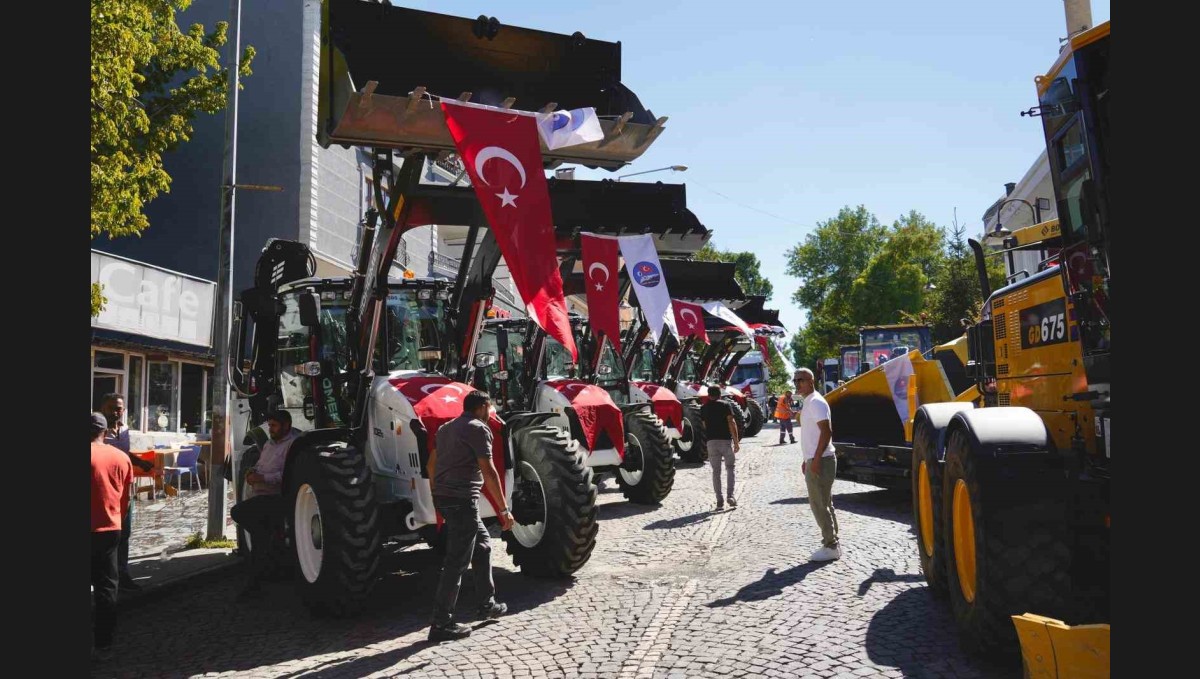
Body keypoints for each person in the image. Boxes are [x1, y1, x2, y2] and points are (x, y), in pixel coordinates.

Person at [427, 391, 513, 642]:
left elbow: (431, 464)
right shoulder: (478, 428)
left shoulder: (445, 428)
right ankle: (441, 623)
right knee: (457, 561)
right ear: (484, 406)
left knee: (483, 545)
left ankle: (487, 604)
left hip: (446, 499)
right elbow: (488, 469)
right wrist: (503, 510)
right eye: (491, 406)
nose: (491, 411)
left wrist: (436, 494)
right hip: (462, 501)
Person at [229, 410, 300, 599]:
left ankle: (265, 540)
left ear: (286, 426)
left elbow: (285, 477)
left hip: (276, 498)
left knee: (239, 513)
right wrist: (251, 472)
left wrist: (262, 478)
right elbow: (260, 465)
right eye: (269, 426)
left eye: (274, 426)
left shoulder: (292, 445)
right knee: (253, 529)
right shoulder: (269, 444)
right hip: (261, 496)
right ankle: (266, 540)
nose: (271, 429)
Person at [100, 393, 154, 592]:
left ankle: (122, 575)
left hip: (124, 491)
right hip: (102, 491)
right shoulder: (97, 431)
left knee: (124, 533)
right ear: (103, 407)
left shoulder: (124, 431)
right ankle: (101, 576)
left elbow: (124, 454)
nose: (116, 412)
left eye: (120, 408)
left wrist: (140, 462)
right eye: (112, 408)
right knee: (103, 536)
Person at [92, 412, 132, 659]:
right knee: (107, 586)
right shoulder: (121, 457)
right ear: (105, 432)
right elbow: (126, 499)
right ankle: (103, 644)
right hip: (111, 527)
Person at [793, 368, 840, 561]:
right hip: (815, 458)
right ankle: (833, 542)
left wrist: (817, 459)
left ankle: (831, 545)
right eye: (795, 380)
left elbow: (826, 432)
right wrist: (807, 460)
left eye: (801, 380)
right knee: (824, 502)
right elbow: (811, 434)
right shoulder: (809, 402)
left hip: (822, 459)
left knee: (818, 504)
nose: (797, 384)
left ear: (811, 381)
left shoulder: (816, 402)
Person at [699, 385, 740, 510]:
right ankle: (730, 496)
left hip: (711, 442)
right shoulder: (725, 405)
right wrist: (736, 441)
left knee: (716, 472)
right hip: (725, 441)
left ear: (708, 395)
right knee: (730, 468)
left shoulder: (703, 408)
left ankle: (719, 500)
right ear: (719, 394)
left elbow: (704, 425)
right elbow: (731, 423)